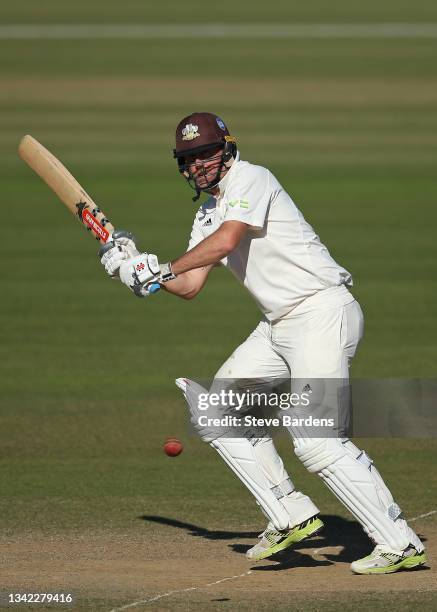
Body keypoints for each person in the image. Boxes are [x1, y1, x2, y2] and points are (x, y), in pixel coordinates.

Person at [100, 112, 425, 574]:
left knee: (316, 441)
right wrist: (132, 264)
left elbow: (227, 240)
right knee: (217, 410)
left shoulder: (252, 178)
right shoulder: (208, 212)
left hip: (320, 312)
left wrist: (160, 269)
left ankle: (400, 543)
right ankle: (288, 512)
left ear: (228, 149)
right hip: (280, 325)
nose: (199, 165)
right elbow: (189, 284)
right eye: (190, 159)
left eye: (207, 154)